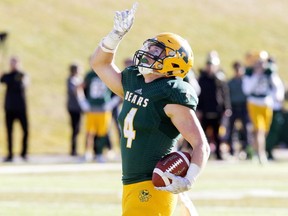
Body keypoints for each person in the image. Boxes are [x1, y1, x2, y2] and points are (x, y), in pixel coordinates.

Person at [89, 3, 210, 215]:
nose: (148, 52)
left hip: (152, 186)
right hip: (132, 182)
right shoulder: (135, 81)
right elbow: (100, 64)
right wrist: (115, 35)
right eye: (150, 47)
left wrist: (189, 179)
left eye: (157, 51)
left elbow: (200, 144)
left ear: (173, 62)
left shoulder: (170, 92)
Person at [242, 51, 284, 164]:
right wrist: (256, 76)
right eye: (258, 62)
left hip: (266, 102)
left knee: (264, 130)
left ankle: (254, 150)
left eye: (262, 62)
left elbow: (277, 87)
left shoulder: (269, 73)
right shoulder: (250, 73)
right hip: (254, 102)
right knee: (259, 130)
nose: (260, 65)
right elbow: (247, 90)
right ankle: (261, 154)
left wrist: (277, 97)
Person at [197, 51, 231, 160]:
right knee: (202, 134)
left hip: (217, 110)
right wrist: (199, 109)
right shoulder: (202, 79)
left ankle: (218, 155)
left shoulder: (220, 79)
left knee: (218, 134)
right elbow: (199, 95)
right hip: (205, 110)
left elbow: (225, 94)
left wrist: (227, 107)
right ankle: (202, 155)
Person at [83, 64, 121, 162]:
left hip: (104, 108)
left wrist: (111, 103)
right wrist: (84, 102)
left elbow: (118, 89)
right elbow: (82, 88)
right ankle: (87, 153)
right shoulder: (89, 75)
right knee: (89, 132)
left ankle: (100, 154)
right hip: (92, 107)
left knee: (103, 133)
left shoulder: (106, 74)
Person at [0, 56, 29, 162]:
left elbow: (21, 84)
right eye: (12, 63)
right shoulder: (7, 75)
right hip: (9, 108)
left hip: (21, 107)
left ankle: (24, 153)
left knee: (25, 130)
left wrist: (8, 79)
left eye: (15, 63)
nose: (13, 65)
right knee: (9, 132)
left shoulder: (22, 75)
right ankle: (10, 154)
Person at [226, 61, 250, 157]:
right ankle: (232, 150)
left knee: (245, 130)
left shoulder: (246, 81)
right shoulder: (231, 82)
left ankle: (246, 150)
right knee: (231, 130)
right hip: (234, 107)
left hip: (244, 107)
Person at [264, 57, 285, 160]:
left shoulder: (274, 75)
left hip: (277, 107)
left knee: (275, 131)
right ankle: (267, 150)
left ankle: (269, 150)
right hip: (271, 107)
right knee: (270, 131)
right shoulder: (267, 76)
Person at [66, 63, 84, 156]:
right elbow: (74, 91)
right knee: (75, 129)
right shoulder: (70, 80)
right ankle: (73, 150)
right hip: (74, 108)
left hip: (80, 107)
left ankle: (77, 149)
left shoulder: (79, 79)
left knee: (79, 129)